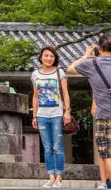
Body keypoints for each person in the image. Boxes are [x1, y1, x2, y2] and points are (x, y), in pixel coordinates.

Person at [68, 33, 111, 190]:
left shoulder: (92, 64)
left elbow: (69, 69)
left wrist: (86, 56)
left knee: (107, 153)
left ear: (98, 48)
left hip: (105, 114)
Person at [31, 46, 70, 188]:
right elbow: (35, 96)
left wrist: (67, 111)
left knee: (57, 147)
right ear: (41, 57)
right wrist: (34, 116)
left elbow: (65, 94)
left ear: (55, 58)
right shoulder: (35, 74)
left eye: (51, 56)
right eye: (46, 55)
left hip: (57, 115)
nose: (48, 58)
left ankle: (59, 178)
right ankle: (51, 177)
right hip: (41, 115)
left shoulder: (60, 73)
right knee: (47, 148)